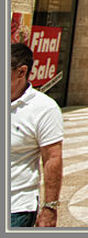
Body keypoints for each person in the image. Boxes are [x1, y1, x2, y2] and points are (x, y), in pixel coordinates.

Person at [10, 43, 63, 227]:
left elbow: (52, 159)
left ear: (21, 72)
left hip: (16, 207)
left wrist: (50, 208)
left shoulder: (44, 109)